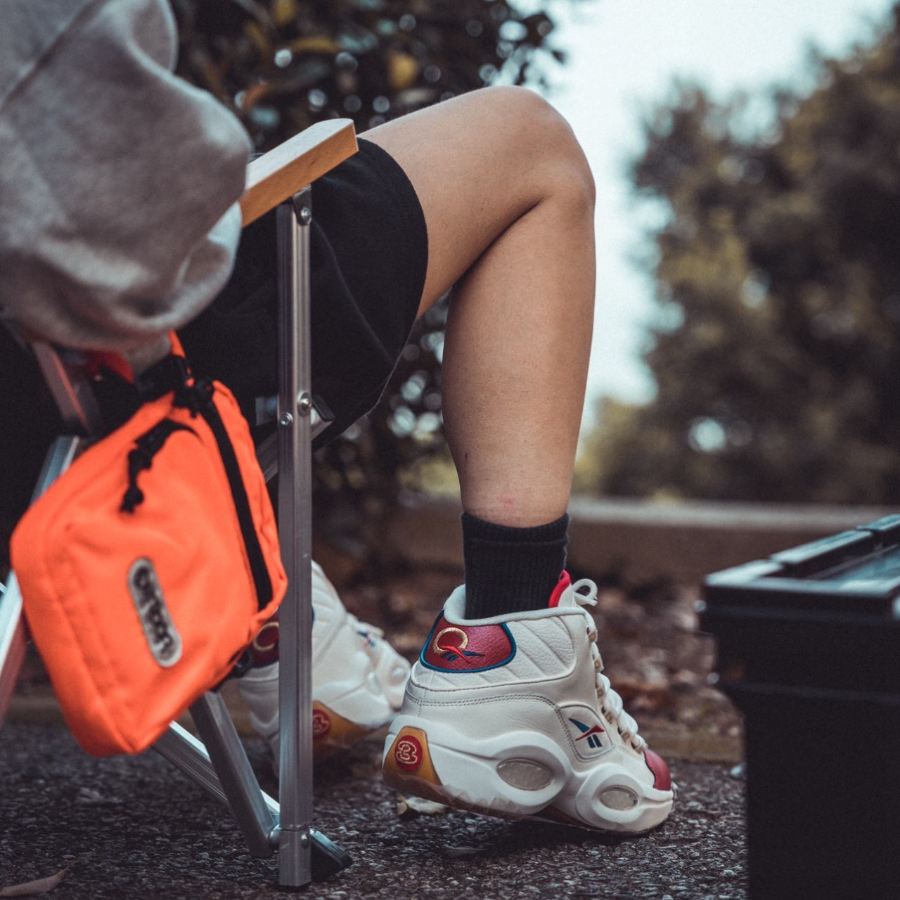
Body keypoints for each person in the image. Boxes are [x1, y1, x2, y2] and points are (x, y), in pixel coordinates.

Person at [0, 0, 673, 833]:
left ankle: (289, 629)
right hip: (91, 403)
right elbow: (127, 243)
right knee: (529, 143)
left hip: (28, 457)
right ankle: (512, 641)